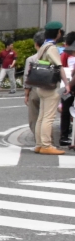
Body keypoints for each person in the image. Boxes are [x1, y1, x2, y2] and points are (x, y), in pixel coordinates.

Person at [24, 24, 70, 155]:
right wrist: (66, 83)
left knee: (41, 117)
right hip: (50, 86)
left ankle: (39, 144)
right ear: (58, 32)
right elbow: (59, 67)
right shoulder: (52, 48)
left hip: (40, 85)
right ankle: (46, 145)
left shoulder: (43, 46)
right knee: (48, 117)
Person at [60, 34, 75, 148]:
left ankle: (65, 136)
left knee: (65, 110)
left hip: (69, 86)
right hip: (69, 86)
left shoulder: (65, 53)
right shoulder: (65, 54)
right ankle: (64, 136)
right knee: (65, 110)